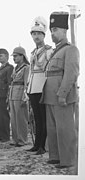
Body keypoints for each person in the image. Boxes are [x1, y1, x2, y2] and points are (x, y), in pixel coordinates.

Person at [41, 11, 79, 168]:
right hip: (50, 95)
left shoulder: (70, 49)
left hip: (61, 95)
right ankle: (56, 156)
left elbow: (71, 74)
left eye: (55, 29)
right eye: (51, 30)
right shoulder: (55, 51)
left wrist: (62, 94)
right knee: (53, 129)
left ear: (64, 30)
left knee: (65, 129)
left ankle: (68, 159)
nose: (52, 33)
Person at [26, 16, 53, 155]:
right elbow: (31, 72)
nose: (36, 36)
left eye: (39, 33)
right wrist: (28, 87)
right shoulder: (33, 53)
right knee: (36, 118)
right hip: (33, 88)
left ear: (44, 35)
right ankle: (36, 144)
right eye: (34, 33)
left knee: (43, 117)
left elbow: (49, 71)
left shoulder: (49, 51)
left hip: (42, 87)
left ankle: (43, 145)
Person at [0, 48, 14, 142]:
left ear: (7, 57)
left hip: (3, 95)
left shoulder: (9, 68)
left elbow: (9, 82)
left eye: (1, 56)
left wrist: (8, 95)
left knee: (4, 116)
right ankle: (0, 135)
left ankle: (5, 136)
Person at [9, 46, 30, 147]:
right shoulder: (15, 68)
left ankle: (22, 139)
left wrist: (25, 96)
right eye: (13, 56)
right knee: (13, 118)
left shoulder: (26, 68)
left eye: (16, 56)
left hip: (20, 93)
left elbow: (26, 83)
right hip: (13, 94)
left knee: (21, 118)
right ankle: (15, 138)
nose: (14, 58)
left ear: (22, 56)